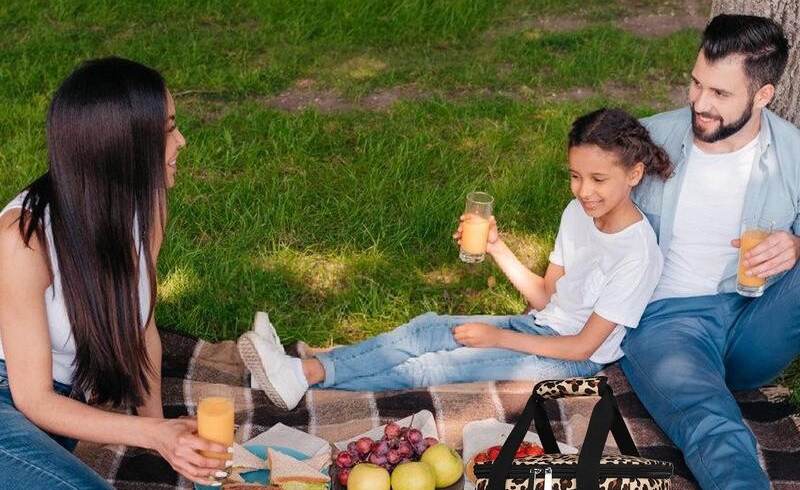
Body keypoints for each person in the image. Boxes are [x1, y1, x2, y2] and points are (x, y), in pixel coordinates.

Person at [0, 58, 232, 490]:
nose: (182, 140)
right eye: (169, 129)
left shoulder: (143, 205)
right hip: (13, 406)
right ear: (122, 147)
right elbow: (31, 397)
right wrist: (152, 434)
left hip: (45, 425)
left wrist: (160, 432)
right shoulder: (21, 240)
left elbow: (141, 326)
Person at [238, 107, 671, 411]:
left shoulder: (637, 253)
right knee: (426, 328)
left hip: (570, 359)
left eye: (598, 179)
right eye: (575, 176)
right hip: (540, 326)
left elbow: (582, 346)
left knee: (434, 365)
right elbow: (545, 297)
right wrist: (497, 246)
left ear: (634, 174)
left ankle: (303, 375)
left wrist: (497, 337)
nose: (583, 190)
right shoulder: (577, 212)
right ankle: (297, 372)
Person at [621, 14, 800, 490]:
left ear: (764, 94)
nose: (701, 102)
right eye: (697, 83)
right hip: (669, 321)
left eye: (721, 93)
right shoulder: (646, 141)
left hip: (754, 319)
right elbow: (585, 231)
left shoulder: (795, 155)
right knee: (707, 416)